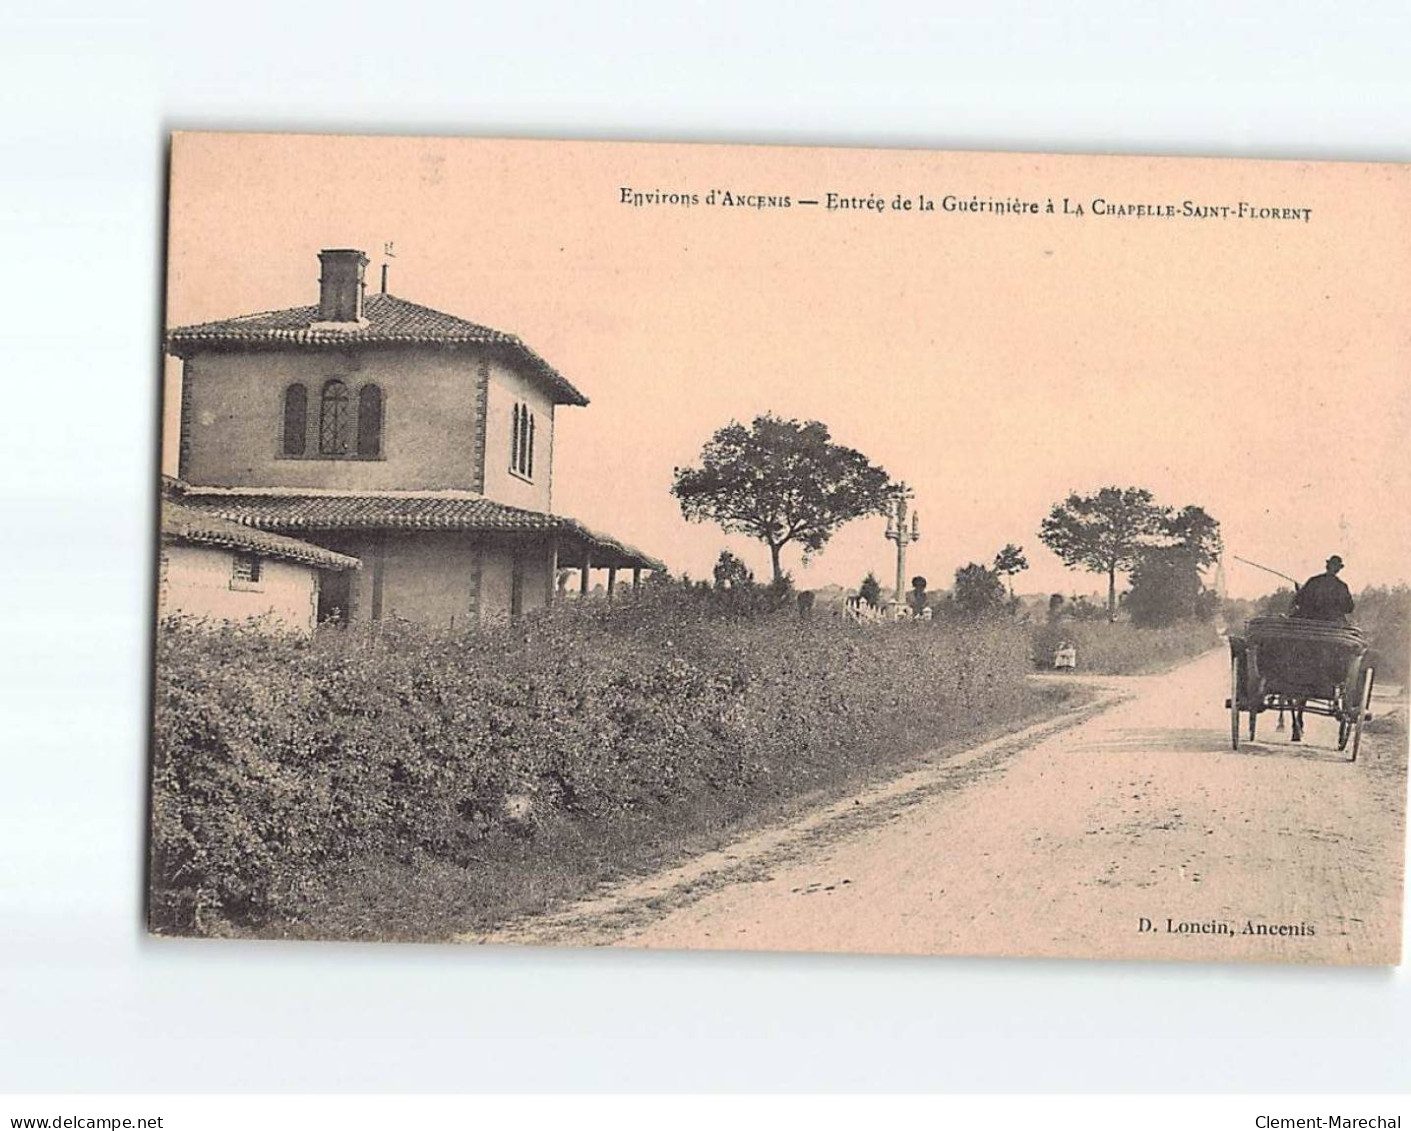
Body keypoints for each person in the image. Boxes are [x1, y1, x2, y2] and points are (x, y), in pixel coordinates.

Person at [1289, 555, 1354, 622]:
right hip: (1332, 623)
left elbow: (1300, 600)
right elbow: (1349, 607)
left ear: (1327, 566)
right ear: (1338, 569)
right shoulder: (1342, 586)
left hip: (1310, 621)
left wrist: (1299, 591)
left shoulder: (1314, 581)